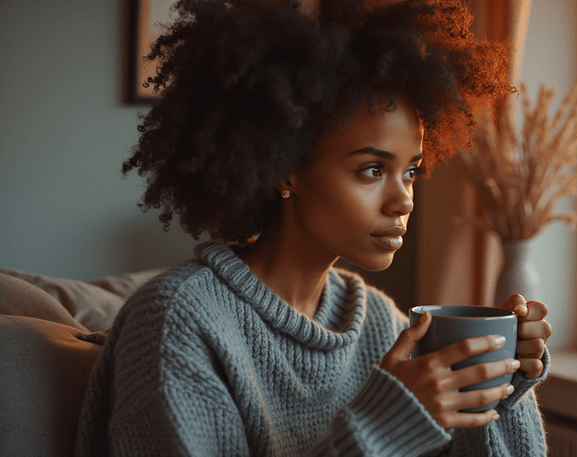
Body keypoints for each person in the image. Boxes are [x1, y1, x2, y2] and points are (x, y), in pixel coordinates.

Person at [75, 0, 552, 455]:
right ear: (286, 170)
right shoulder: (177, 322)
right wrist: (385, 427)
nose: (404, 200)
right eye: (372, 170)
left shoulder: (380, 322)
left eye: (410, 171)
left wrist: (500, 382)